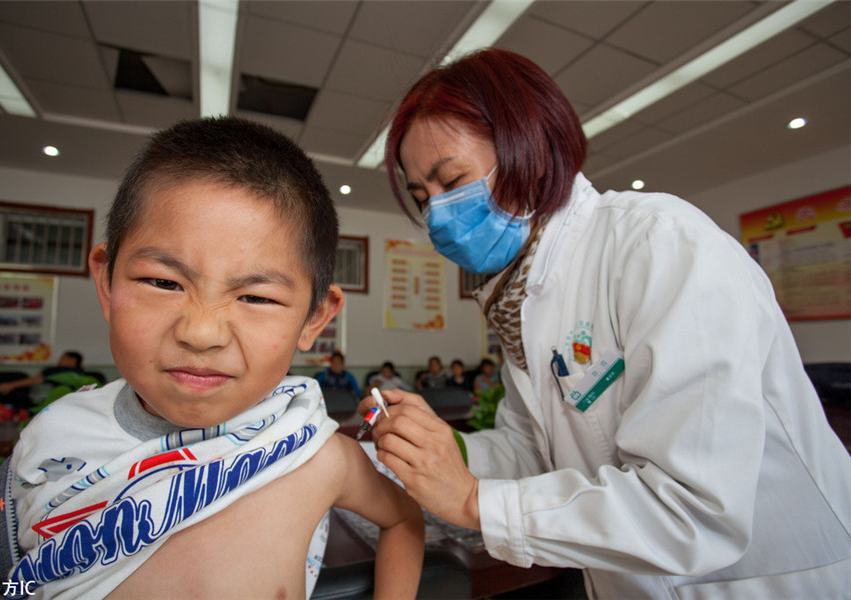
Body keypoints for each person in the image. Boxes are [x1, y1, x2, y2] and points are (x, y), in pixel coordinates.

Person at [360, 48, 851, 598]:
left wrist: (475, 502)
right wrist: (440, 448)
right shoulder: (521, 293)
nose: (438, 216)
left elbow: (694, 510)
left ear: (532, 152)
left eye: (452, 181)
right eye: (423, 198)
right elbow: (532, 451)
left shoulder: (659, 246)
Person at [0, 117, 424, 599]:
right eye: (163, 282)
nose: (201, 333)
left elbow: (404, 520)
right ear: (106, 282)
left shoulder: (317, 452)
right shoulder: (49, 447)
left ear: (313, 319)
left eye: (256, 298)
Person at [0, 351, 85, 396]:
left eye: (63, 358)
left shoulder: (56, 371)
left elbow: (36, 380)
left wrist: (11, 385)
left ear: (72, 360)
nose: (60, 361)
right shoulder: (83, 373)